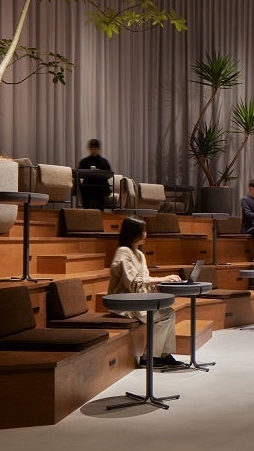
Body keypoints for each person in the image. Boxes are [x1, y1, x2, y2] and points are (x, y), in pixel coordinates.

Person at [107, 216, 186, 368]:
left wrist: (164, 282)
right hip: (124, 303)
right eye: (142, 231)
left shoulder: (139, 254)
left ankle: (162, 354)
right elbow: (134, 283)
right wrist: (162, 278)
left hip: (138, 300)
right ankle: (149, 357)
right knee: (166, 315)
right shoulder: (123, 252)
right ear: (132, 233)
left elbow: (145, 281)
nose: (145, 234)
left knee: (169, 312)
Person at [77, 139, 112, 210]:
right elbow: (79, 173)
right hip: (88, 186)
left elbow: (109, 175)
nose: (93, 150)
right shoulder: (84, 161)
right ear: (89, 149)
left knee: (99, 191)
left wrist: (99, 172)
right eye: (92, 148)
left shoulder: (104, 162)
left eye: (95, 149)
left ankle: (100, 212)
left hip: (101, 187)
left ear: (99, 149)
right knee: (84, 189)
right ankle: (87, 212)